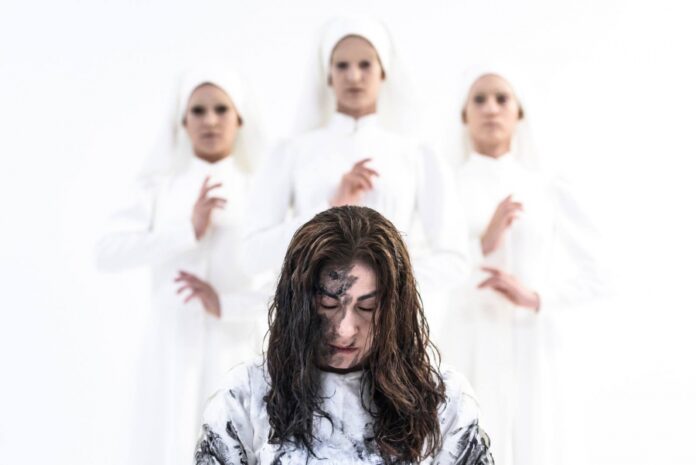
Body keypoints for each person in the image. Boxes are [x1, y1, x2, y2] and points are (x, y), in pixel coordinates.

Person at [194, 206, 494, 465]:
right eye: (328, 304)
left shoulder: (444, 402)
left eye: (367, 308)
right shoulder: (246, 394)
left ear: (395, 310)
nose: (344, 329)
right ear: (298, 304)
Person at [242, 17, 468, 323]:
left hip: (389, 324)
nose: (353, 76)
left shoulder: (416, 155)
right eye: (342, 65)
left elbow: (454, 259)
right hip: (312, 323)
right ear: (327, 74)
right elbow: (253, 256)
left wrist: (384, 284)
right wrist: (329, 208)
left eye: (365, 64)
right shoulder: (293, 152)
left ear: (383, 71)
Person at [96, 67, 268, 465]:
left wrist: (225, 304)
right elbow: (107, 252)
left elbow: (285, 280)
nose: (210, 120)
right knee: (168, 439)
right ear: (183, 120)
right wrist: (187, 230)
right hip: (170, 343)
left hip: (234, 343)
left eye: (221, 109)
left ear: (240, 118)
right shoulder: (159, 187)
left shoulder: (259, 190)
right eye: (198, 110)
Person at [438, 68, 608, 465]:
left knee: (537, 442)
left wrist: (536, 297)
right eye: (479, 99)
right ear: (463, 113)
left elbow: (599, 272)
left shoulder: (545, 188)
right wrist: (481, 245)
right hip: (468, 340)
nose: (491, 109)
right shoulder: (446, 187)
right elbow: (418, 266)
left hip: (533, 346)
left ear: (520, 112)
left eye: (502, 98)